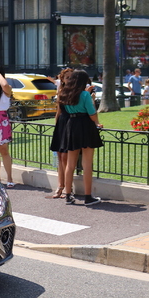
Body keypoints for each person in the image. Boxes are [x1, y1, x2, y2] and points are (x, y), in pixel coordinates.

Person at [55, 69, 104, 206]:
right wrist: (97, 123)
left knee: (70, 164)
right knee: (87, 164)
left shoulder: (64, 93)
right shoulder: (84, 95)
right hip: (86, 126)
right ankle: (88, 196)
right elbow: (92, 113)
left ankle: (68, 195)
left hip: (71, 126)